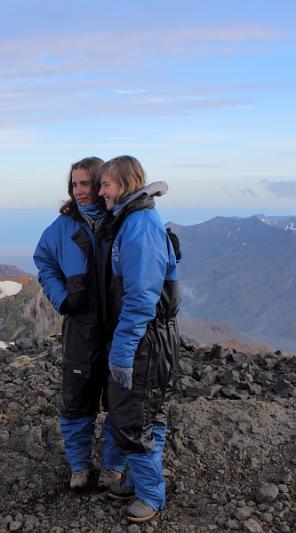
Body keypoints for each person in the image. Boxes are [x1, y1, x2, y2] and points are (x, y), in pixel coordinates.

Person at [95, 155, 180, 523]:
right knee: (143, 412)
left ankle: (150, 494)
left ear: (126, 185)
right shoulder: (133, 220)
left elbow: (143, 298)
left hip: (144, 340)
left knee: (134, 417)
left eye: (106, 185)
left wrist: (124, 351)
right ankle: (139, 479)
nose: (101, 192)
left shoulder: (140, 226)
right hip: (148, 338)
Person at [33, 157, 126, 491]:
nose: (79, 191)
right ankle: (79, 467)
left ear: (102, 184)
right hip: (81, 327)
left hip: (118, 327)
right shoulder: (62, 228)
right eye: (74, 184)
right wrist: (61, 298)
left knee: (119, 398)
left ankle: (113, 467)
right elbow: (43, 259)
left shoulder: (121, 220)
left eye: (86, 183)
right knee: (77, 398)